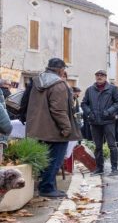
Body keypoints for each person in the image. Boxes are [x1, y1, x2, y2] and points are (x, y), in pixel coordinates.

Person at [24, 58, 82, 198]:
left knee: (45, 159)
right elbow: (59, 110)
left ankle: (47, 186)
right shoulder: (59, 85)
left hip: (37, 128)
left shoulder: (36, 81)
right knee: (54, 160)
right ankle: (48, 188)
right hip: (54, 130)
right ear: (61, 70)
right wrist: (66, 129)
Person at [81, 69, 118, 176]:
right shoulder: (90, 90)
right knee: (98, 146)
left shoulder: (113, 89)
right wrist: (89, 113)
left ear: (105, 77)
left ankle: (114, 169)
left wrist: (109, 111)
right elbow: (84, 103)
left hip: (108, 121)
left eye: (102, 75)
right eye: (97, 75)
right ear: (95, 77)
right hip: (95, 122)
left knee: (112, 146)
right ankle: (99, 168)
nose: (99, 77)